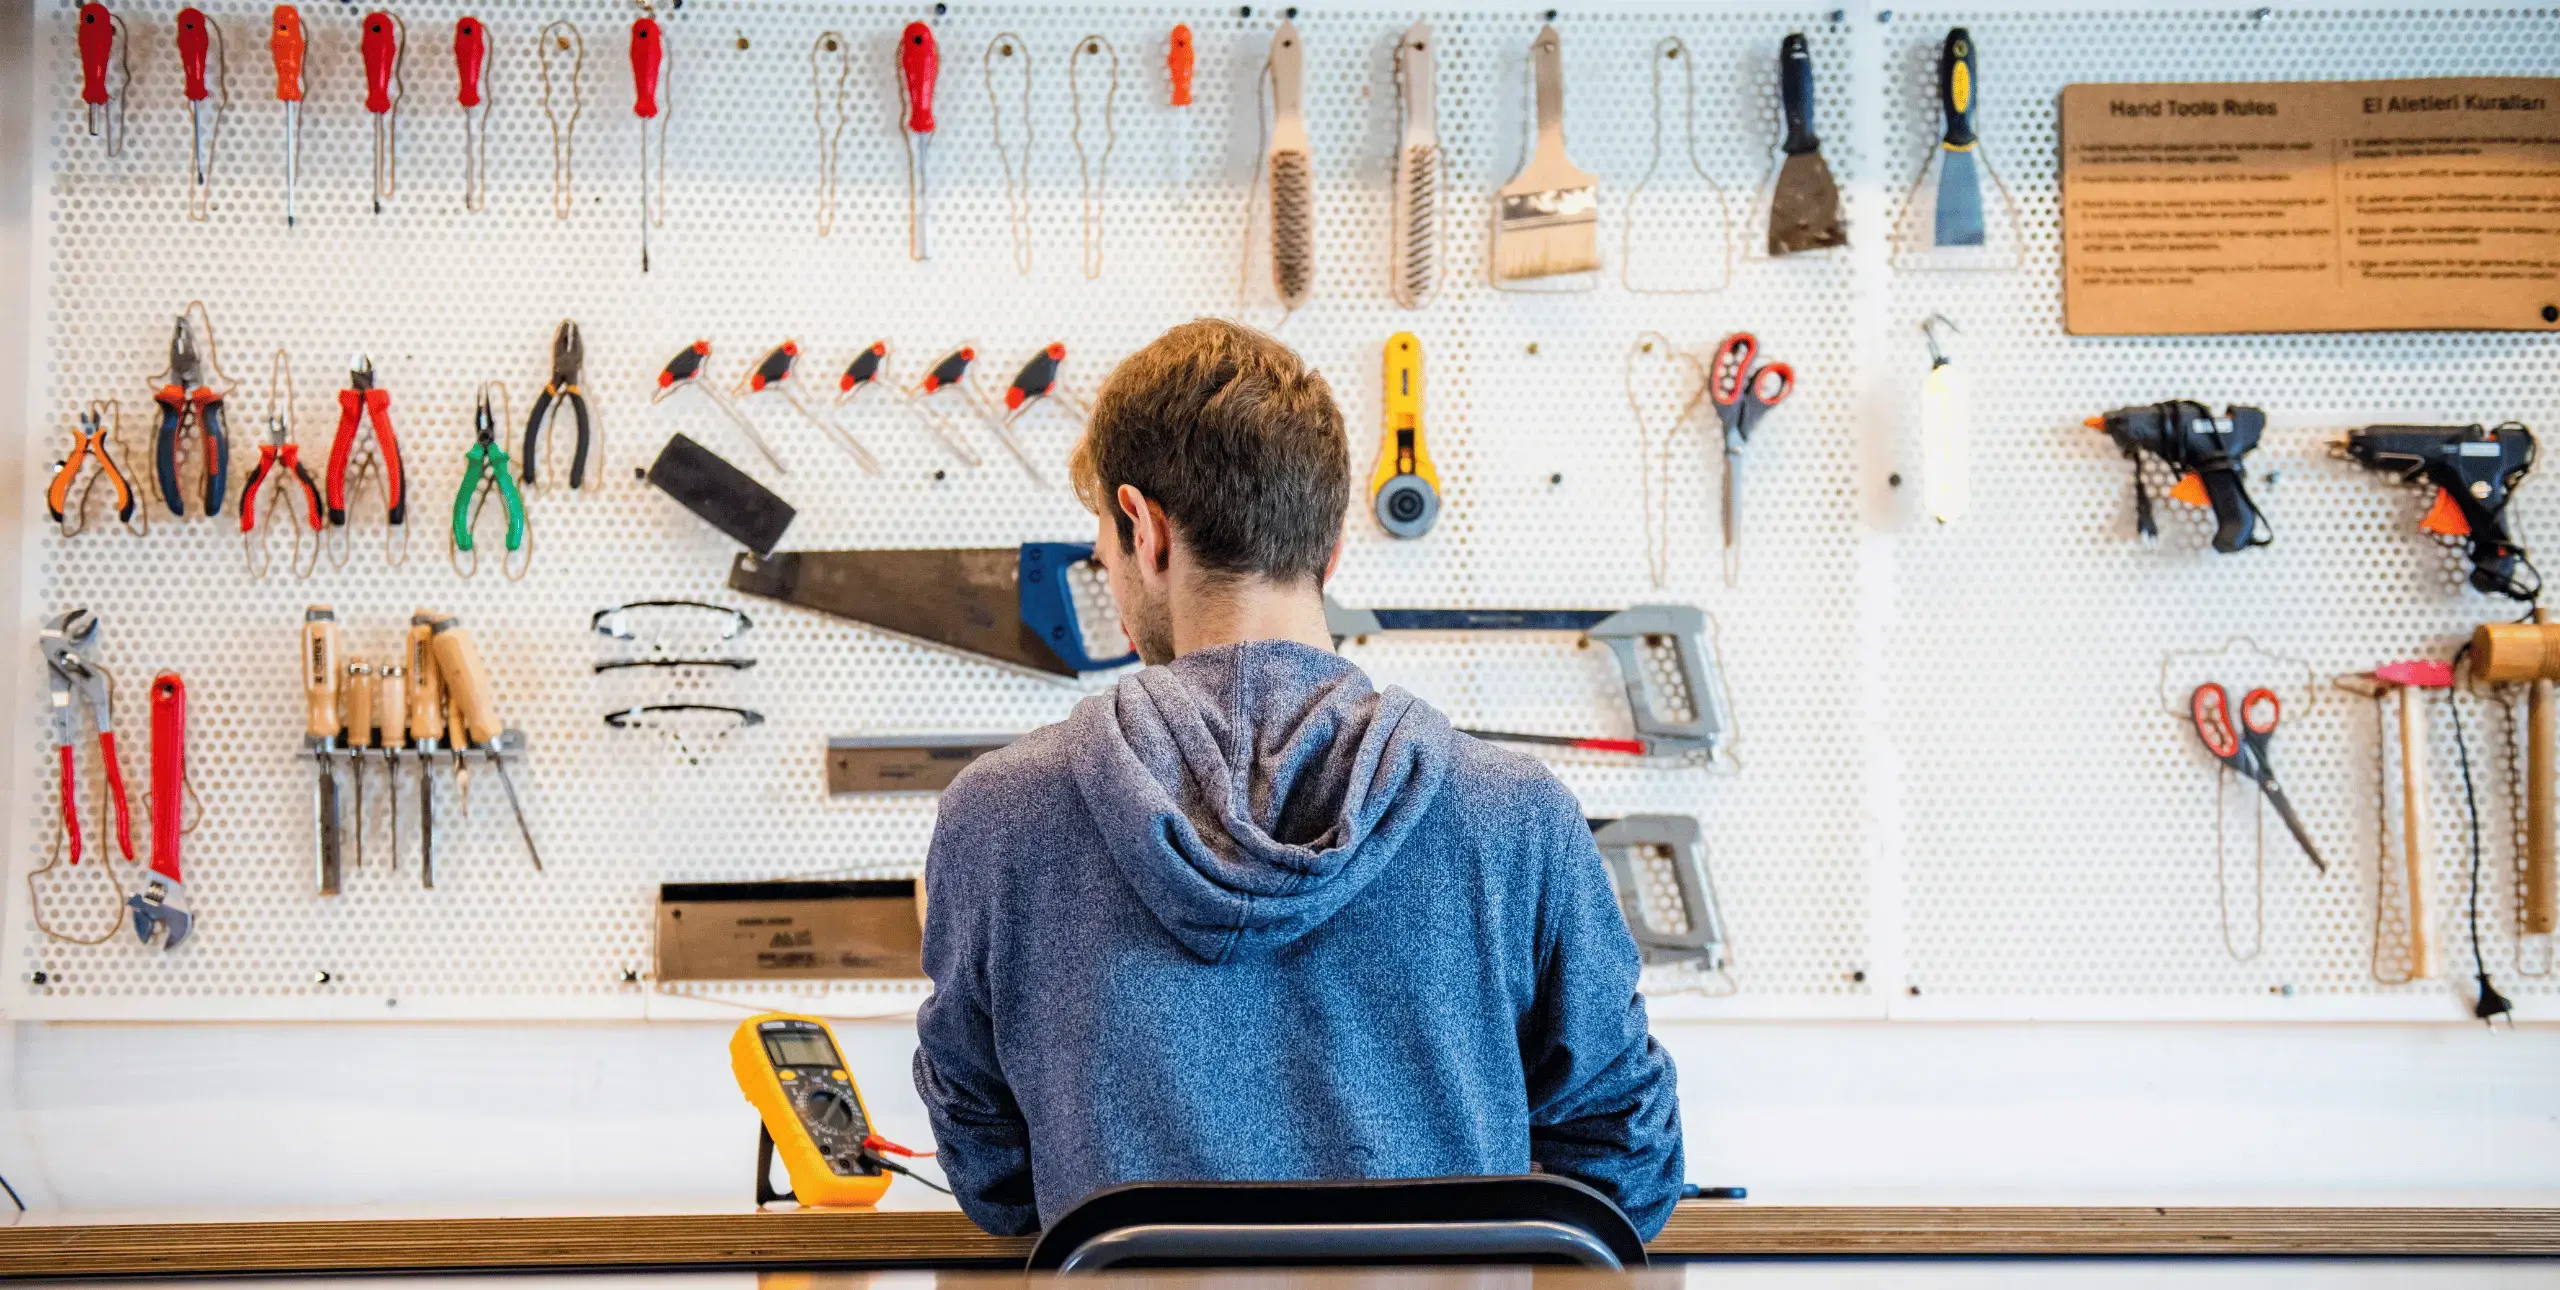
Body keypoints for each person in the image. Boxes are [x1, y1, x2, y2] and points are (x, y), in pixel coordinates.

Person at [911, 318, 1684, 1239]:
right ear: (1330, 553)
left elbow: (995, 1181)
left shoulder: (1001, 818)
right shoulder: (1516, 817)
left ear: (1147, 532)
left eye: (1103, 553)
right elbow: (1628, 1165)